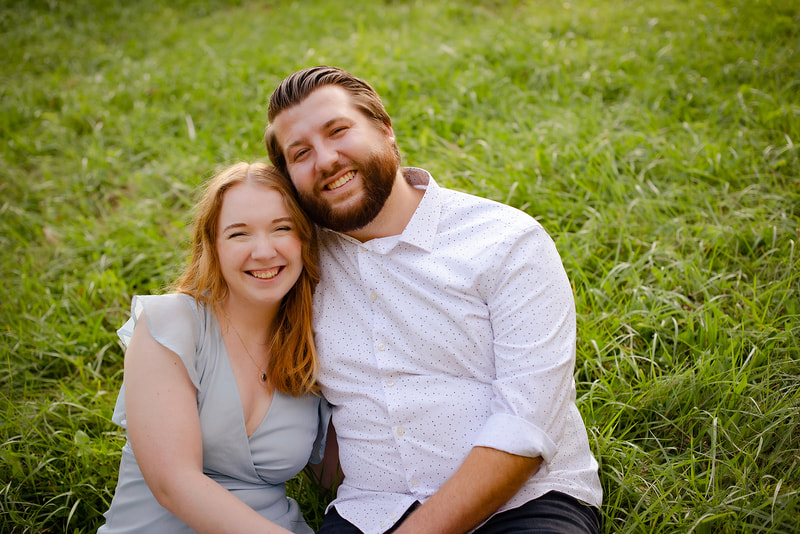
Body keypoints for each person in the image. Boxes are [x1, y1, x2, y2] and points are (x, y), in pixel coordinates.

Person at [263, 66, 603, 534]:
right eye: (300, 154)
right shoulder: (297, 265)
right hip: (369, 512)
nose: (325, 160)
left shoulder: (506, 241)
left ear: (385, 129)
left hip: (524, 505)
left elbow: (526, 427)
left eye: (338, 130)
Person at [98, 162, 329, 534]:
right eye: (239, 234)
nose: (264, 251)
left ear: (305, 239)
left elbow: (343, 477)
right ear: (213, 246)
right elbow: (174, 484)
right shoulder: (173, 325)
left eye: (282, 228)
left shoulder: (315, 346)